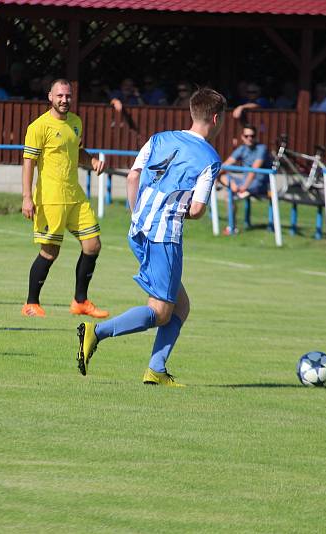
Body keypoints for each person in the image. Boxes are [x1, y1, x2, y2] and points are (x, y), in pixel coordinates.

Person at [75, 87, 226, 387]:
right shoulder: (210, 157)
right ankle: (96, 333)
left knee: (179, 306)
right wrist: (180, 211)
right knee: (160, 311)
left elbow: (133, 176)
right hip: (165, 238)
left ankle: (156, 370)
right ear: (217, 118)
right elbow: (196, 210)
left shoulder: (160, 138)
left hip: (139, 230)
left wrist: (138, 214)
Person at [20, 78, 107, 318]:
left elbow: (78, 151)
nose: (64, 100)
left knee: (93, 245)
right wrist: (27, 197)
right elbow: (29, 163)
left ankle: (80, 301)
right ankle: (31, 303)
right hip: (51, 199)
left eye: (68, 96)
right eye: (60, 96)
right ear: (50, 97)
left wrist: (91, 161)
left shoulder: (76, 122)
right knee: (50, 252)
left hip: (75, 196)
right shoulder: (38, 127)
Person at [217, 125, 272, 198]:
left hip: (259, 183)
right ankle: (235, 188)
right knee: (222, 177)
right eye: (246, 136)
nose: (249, 138)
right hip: (244, 181)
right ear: (242, 137)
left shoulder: (261, 148)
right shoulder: (242, 148)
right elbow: (227, 163)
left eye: (252, 136)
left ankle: (238, 190)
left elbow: (254, 169)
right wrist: (214, 176)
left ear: (255, 136)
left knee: (229, 194)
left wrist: (244, 187)